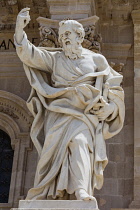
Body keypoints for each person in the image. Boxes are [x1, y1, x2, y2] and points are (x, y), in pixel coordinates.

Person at [14, 8, 125, 201]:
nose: (63, 38)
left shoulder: (96, 59)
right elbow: (29, 54)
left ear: (80, 36)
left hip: (83, 115)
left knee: (80, 142)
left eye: (68, 34)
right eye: (62, 35)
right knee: (50, 153)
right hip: (58, 113)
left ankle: (81, 190)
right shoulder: (55, 59)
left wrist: (111, 108)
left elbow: (114, 88)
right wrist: (19, 30)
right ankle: (46, 192)